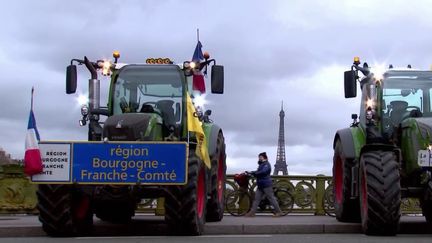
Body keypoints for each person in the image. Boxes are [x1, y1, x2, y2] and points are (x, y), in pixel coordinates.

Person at [245, 152, 282, 217]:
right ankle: (252, 212)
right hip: (261, 185)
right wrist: (251, 172)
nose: (259, 158)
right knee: (256, 199)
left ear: (264, 157)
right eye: (259, 157)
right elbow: (258, 171)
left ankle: (279, 212)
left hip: (266, 184)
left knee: (271, 198)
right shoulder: (262, 164)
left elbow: (263, 172)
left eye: (260, 157)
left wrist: (254, 173)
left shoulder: (266, 164)